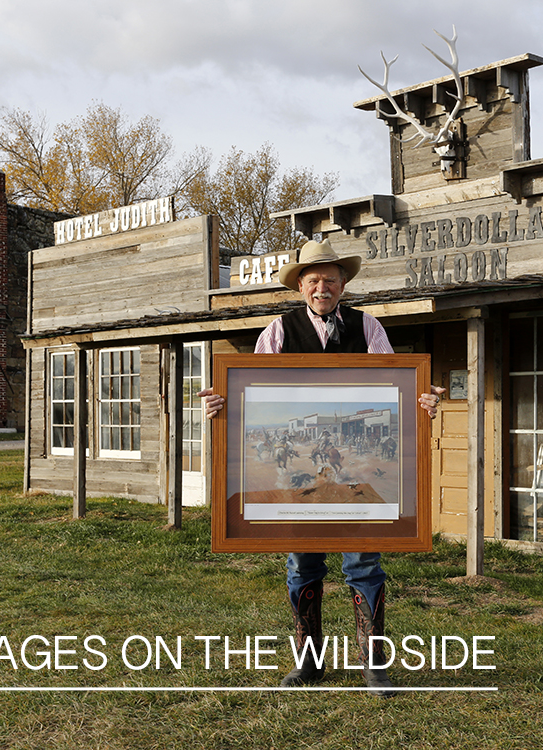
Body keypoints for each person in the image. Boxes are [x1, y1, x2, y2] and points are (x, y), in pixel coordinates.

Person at [198, 239, 445, 698]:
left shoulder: (368, 327)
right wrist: (223, 403)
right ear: (300, 286)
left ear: (344, 284)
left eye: (330, 279)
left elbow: (395, 386)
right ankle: (309, 665)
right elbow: (252, 393)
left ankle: (374, 666)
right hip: (302, 486)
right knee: (301, 567)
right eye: (313, 280)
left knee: (365, 566)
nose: (322, 287)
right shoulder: (276, 331)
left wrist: (421, 400)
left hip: (355, 482)